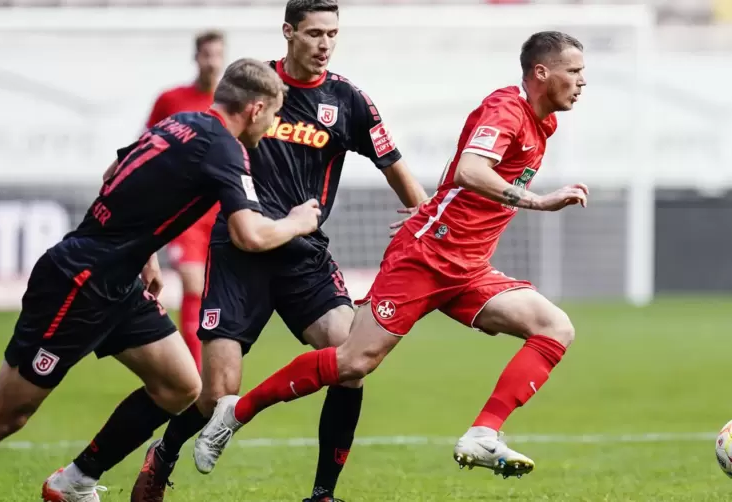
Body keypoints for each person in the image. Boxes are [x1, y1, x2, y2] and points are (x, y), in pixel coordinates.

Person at [194, 30, 589, 480]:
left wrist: (439, 203)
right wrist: (538, 200)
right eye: (574, 72)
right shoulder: (508, 109)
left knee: (555, 327)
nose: (581, 82)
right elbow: (469, 169)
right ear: (542, 72)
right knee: (352, 362)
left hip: (467, 267)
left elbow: (456, 169)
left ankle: (483, 433)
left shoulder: (542, 122)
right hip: (427, 258)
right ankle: (235, 414)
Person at [0, 58, 320, 502]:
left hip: (119, 282)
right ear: (256, 109)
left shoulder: (182, 122)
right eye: (273, 114)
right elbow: (250, 235)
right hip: (79, 283)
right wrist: (297, 222)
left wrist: (144, 251)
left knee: (179, 385)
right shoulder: (224, 147)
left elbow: (115, 172)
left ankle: (74, 481)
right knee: (5, 416)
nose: (272, 125)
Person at [129, 1, 428, 502]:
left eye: (333, 34)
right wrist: (151, 240)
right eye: (314, 34)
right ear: (288, 32)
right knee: (216, 393)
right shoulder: (253, 86)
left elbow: (395, 167)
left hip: (304, 256)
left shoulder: (349, 101)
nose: (325, 45)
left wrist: (427, 228)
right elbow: (197, 154)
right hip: (239, 253)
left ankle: (322, 494)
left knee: (350, 361)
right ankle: (164, 454)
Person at [146, 30, 226, 372]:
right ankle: (195, 374)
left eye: (217, 55)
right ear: (196, 57)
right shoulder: (171, 99)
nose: (211, 62)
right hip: (186, 212)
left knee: (215, 291)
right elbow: (149, 144)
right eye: (206, 54)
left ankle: (209, 368)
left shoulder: (233, 101)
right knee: (193, 283)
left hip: (223, 209)